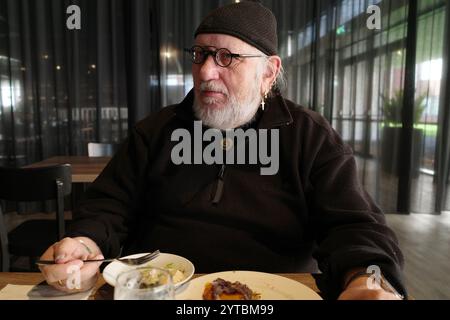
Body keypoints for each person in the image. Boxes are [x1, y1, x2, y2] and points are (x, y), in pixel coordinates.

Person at [39, 1, 407, 300]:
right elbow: (108, 206)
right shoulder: (156, 131)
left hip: (274, 295)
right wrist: (85, 241)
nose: (205, 72)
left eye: (226, 57)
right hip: (161, 292)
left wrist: (365, 278)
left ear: (268, 72)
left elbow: (354, 225)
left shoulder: (309, 137)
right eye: (200, 55)